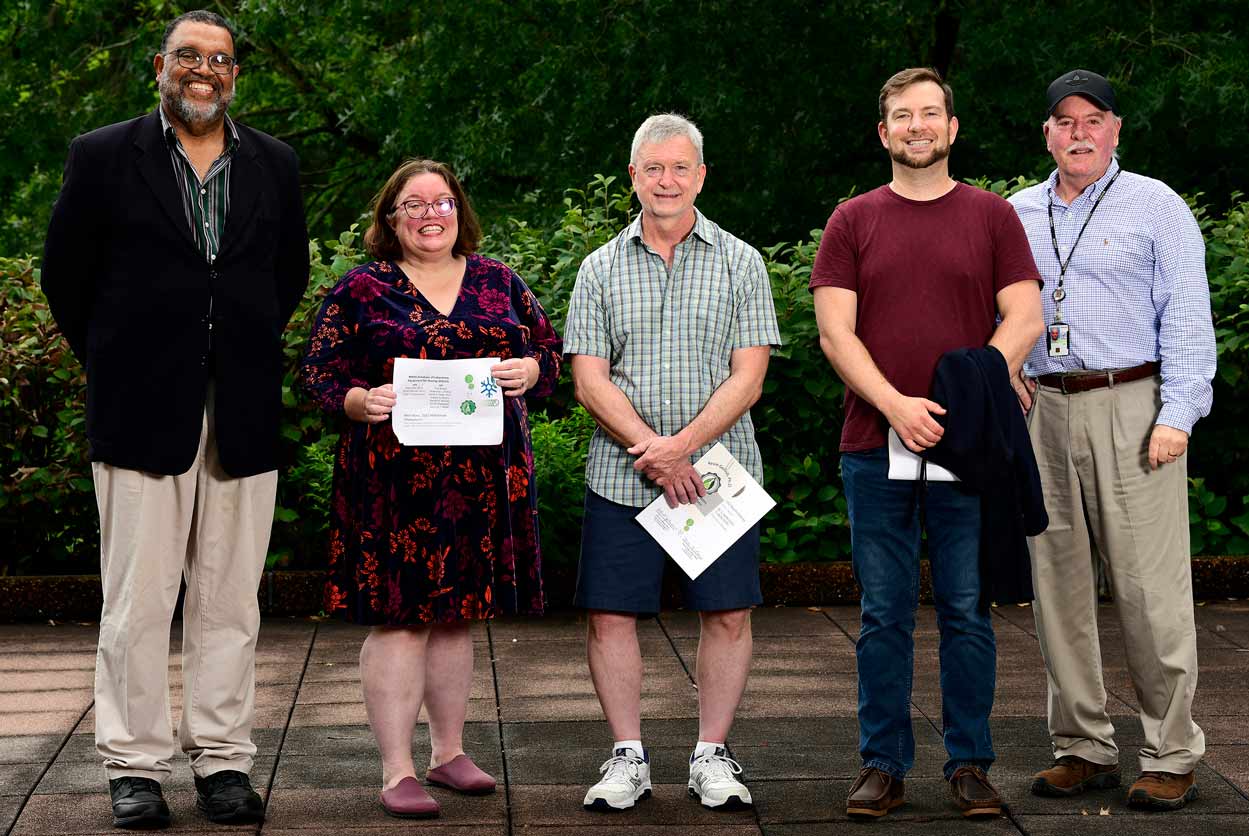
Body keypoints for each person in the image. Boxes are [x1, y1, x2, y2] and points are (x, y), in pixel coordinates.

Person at [40, 9, 308, 829]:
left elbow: (284, 279)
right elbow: (66, 281)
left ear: (235, 75)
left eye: (219, 59)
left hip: (245, 410)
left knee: (231, 602)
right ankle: (135, 767)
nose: (203, 69)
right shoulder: (102, 155)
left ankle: (223, 761)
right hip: (140, 410)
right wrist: (129, 360)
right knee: (138, 602)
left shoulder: (273, 163)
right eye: (188, 56)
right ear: (160, 64)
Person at [810, 67, 1044, 820]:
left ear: (952, 128)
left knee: (968, 610)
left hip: (968, 446)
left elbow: (1025, 315)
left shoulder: (992, 217)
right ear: (884, 133)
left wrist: (976, 383)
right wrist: (895, 405)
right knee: (883, 612)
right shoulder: (852, 219)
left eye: (931, 114)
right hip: (874, 445)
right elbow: (834, 332)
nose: (917, 126)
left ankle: (970, 763)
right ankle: (883, 764)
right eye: (902, 116)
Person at [299, 158, 562, 820]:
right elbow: (318, 374)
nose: (428, 215)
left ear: (459, 211)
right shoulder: (361, 289)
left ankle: (449, 754)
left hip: (481, 481)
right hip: (391, 484)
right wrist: (357, 401)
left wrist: (530, 370)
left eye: (440, 203)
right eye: (412, 206)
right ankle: (396, 770)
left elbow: (554, 355)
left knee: (455, 616)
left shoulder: (500, 282)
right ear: (391, 219)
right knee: (399, 618)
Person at [1008, 69, 1216, 812]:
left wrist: (1177, 414)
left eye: (1093, 119)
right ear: (1047, 134)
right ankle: (1083, 747)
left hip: (1133, 403)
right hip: (1044, 409)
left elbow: (1189, 318)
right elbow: (998, 311)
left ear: (1116, 129)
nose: (1079, 133)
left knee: (1149, 590)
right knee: (1056, 588)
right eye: (1064, 121)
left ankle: (1170, 751)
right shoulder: (1018, 212)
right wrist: (1005, 373)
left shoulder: (1155, 206)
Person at [564, 113, 780, 813]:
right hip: (620, 475)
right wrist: (655, 456)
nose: (666, 180)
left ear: (701, 176)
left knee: (726, 615)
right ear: (633, 177)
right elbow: (590, 380)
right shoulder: (598, 267)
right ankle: (627, 755)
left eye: (680, 167)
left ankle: (711, 755)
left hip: (718, 476)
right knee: (610, 617)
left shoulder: (742, 261)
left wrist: (682, 448)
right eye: (653, 168)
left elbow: (749, 377)